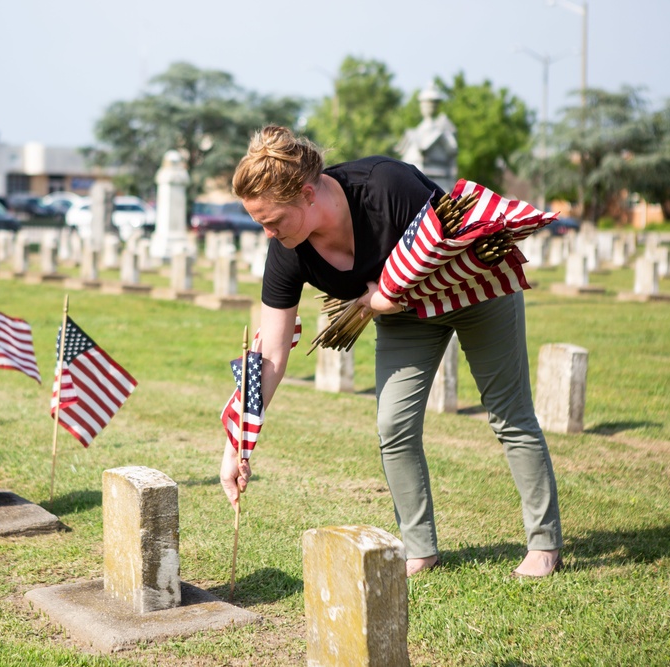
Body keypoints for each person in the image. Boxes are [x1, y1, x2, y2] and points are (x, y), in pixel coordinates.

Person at [218, 125, 563, 578]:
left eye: (272, 220)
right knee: (393, 425)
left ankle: (544, 544)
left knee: (508, 414)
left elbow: (451, 249)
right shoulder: (288, 250)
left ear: (305, 194)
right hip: (407, 319)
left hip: (475, 291)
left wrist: (386, 297)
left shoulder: (384, 185)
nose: (266, 233)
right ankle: (420, 550)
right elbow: (273, 356)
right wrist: (237, 443)